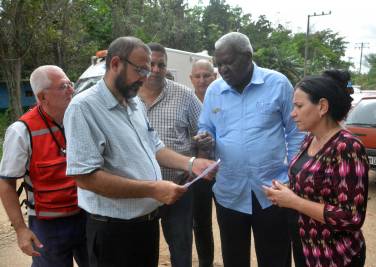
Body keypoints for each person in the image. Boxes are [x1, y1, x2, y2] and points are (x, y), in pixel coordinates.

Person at [63, 36, 216, 267]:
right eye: (141, 70)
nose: (147, 76)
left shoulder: (134, 104)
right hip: (113, 231)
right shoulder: (83, 108)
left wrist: (191, 163)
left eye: (149, 69)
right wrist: (153, 188)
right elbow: (85, 177)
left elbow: (154, 146)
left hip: (145, 224)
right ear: (115, 64)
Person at [196, 32, 304, 267]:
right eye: (219, 63)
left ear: (247, 56)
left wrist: (292, 177)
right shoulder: (215, 90)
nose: (223, 69)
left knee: (275, 257)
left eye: (228, 62)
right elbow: (206, 127)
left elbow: (296, 132)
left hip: (273, 190)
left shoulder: (277, 83)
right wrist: (205, 138)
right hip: (230, 191)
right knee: (234, 257)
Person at [264, 70, 369, 267]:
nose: (292, 113)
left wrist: (294, 201)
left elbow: (351, 217)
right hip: (306, 247)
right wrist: (287, 191)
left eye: (299, 106)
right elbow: (315, 187)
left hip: (335, 256)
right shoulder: (309, 139)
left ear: (322, 106)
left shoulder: (347, 147)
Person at [0, 65, 88, 267]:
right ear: (42, 97)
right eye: (63, 86)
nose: (71, 90)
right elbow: (6, 183)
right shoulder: (21, 131)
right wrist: (21, 230)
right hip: (49, 227)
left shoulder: (81, 119)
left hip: (87, 216)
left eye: (70, 84)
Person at [138, 42, 203, 267]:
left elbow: (202, 132)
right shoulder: (127, 97)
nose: (155, 69)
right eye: (151, 64)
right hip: (140, 189)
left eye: (161, 65)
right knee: (142, 248)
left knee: (181, 246)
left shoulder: (185, 95)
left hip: (179, 187)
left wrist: (198, 155)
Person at [189, 59, 217, 267]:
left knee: (229, 221)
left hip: (225, 170)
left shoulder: (223, 98)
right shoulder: (187, 101)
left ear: (214, 76)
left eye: (206, 75)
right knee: (202, 222)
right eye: (197, 76)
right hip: (199, 173)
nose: (202, 80)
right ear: (191, 79)